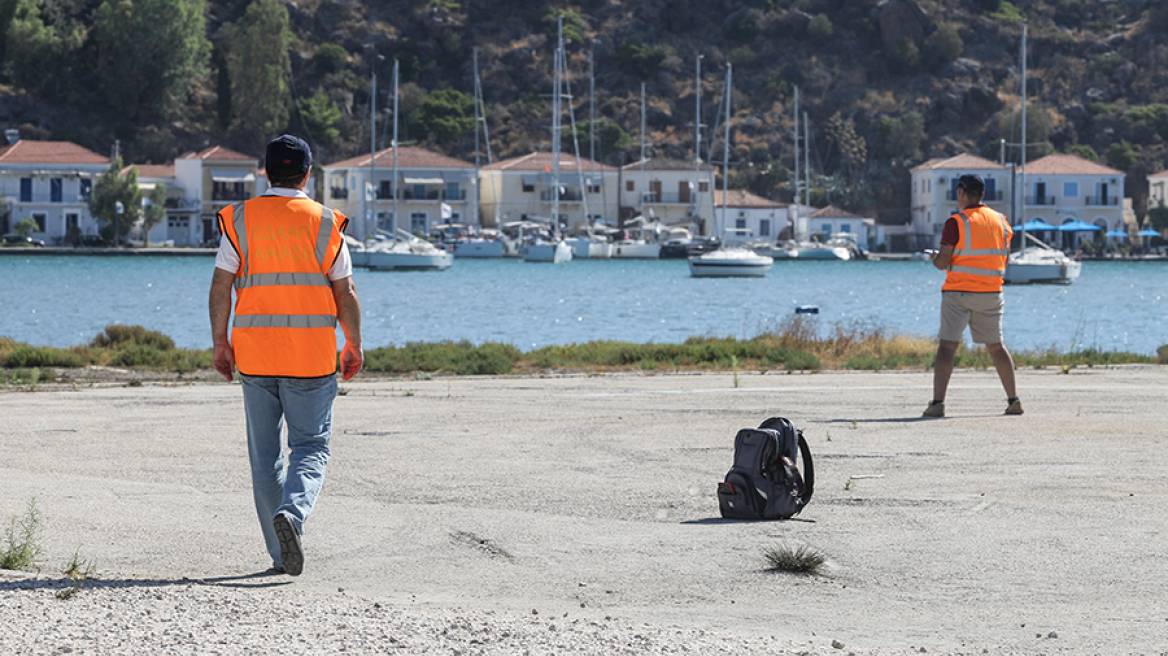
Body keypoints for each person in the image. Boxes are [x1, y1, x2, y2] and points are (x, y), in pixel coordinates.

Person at [208, 135, 363, 575]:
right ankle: (292, 516)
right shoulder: (325, 222)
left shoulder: (239, 219)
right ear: (308, 174)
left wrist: (221, 342)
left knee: (264, 458)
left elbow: (221, 286)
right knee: (310, 447)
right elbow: (344, 291)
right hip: (311, 358)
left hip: (255, 356)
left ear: (265, 171)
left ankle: (280, 555)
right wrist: (353, 342)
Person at [924, 173, 1022, 418]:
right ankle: (1013, 400)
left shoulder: (955, 222)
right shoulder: (1002, 222)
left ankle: (938, 404)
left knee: (947, 347)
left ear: (961, 193)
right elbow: (1004, 257)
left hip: (958, 292)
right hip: (991, 292)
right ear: (983, 194)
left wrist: (934, 257)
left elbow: (942, 263)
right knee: (997, 347)